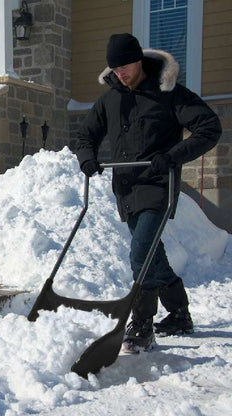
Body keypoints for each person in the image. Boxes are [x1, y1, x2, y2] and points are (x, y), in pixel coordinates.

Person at [75, 33, 222, 352]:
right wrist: (87, 158)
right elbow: (85, 135)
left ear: (139, 60)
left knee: (141, 251)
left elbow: (209, 127)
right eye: (114, 68)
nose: (120, 73)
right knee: (152, 253)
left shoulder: (169, 93)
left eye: (125, 65)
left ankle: (142, 322)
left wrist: (172, 156)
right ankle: (180, 313)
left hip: (157, 186)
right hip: (126, 189)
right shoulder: (109, 100)